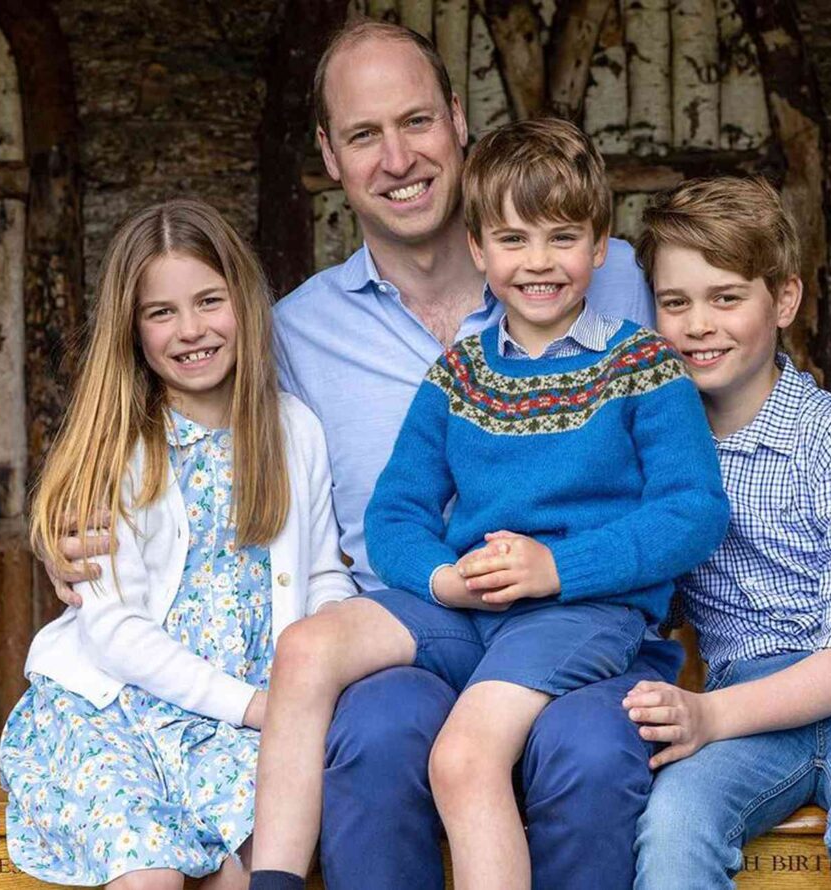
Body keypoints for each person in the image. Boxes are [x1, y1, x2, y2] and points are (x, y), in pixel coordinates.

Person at [47, 21, 831, 890]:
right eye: (365, 134)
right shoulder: (299, 336)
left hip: (590, 617)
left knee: (588, 748)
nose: (398, 157)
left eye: (416, 121)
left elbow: (733, 362)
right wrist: (73, 519)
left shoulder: (629, 293)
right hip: (428, 617)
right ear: (329, 154)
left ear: (458, 122)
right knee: (375, 727)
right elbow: (188, 425)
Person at [247, 118, 729, 890]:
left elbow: (694, 511)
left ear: (600, 249)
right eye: (512, 240)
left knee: (464, 757)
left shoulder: (642, 365)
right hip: (468, 609)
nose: (538, 262)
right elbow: (397, 513)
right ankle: (270, 881)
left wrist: (557, 568)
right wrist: (443, 579)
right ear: (478, 249)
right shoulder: (459, 375)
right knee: (306, 648)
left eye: (562, 238)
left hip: (580, 611)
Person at [0, 199, 356, 889]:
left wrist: (324, 648)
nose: (191, 330)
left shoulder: (293, 431)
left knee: (249, 868)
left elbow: (321, 573)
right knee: (151, 875)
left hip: (239, 726)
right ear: (132, 330)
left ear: (244, 302)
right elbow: (113, 630)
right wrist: (255, 706)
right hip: (113, 709)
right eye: (161, 312)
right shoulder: (118, 448)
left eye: (209, 301)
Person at [625, 176, 831, 890]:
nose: (698, 324)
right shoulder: (661, 453)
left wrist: (708, 714)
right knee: (673, 823)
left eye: (726, 298)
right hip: (751, 700)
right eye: (675, 302)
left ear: (783, 300)